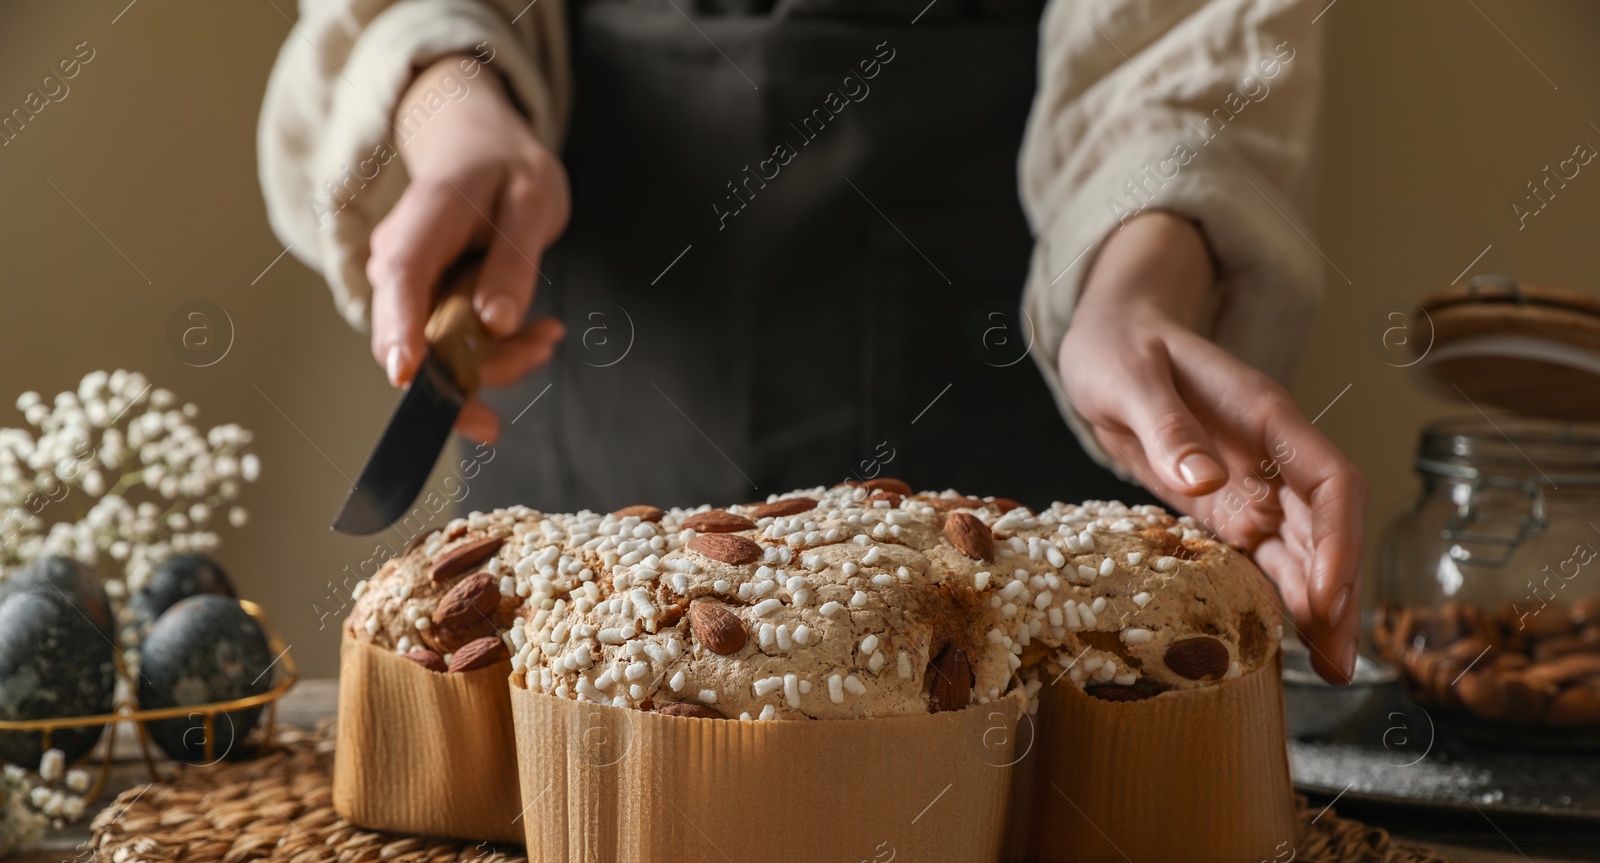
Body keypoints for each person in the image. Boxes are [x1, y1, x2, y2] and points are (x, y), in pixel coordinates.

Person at [258, 0, 1363, 682]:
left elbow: (1179, 33)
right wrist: (453, 114)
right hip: (601, 364)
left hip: (991, 367)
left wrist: (1135, 284)